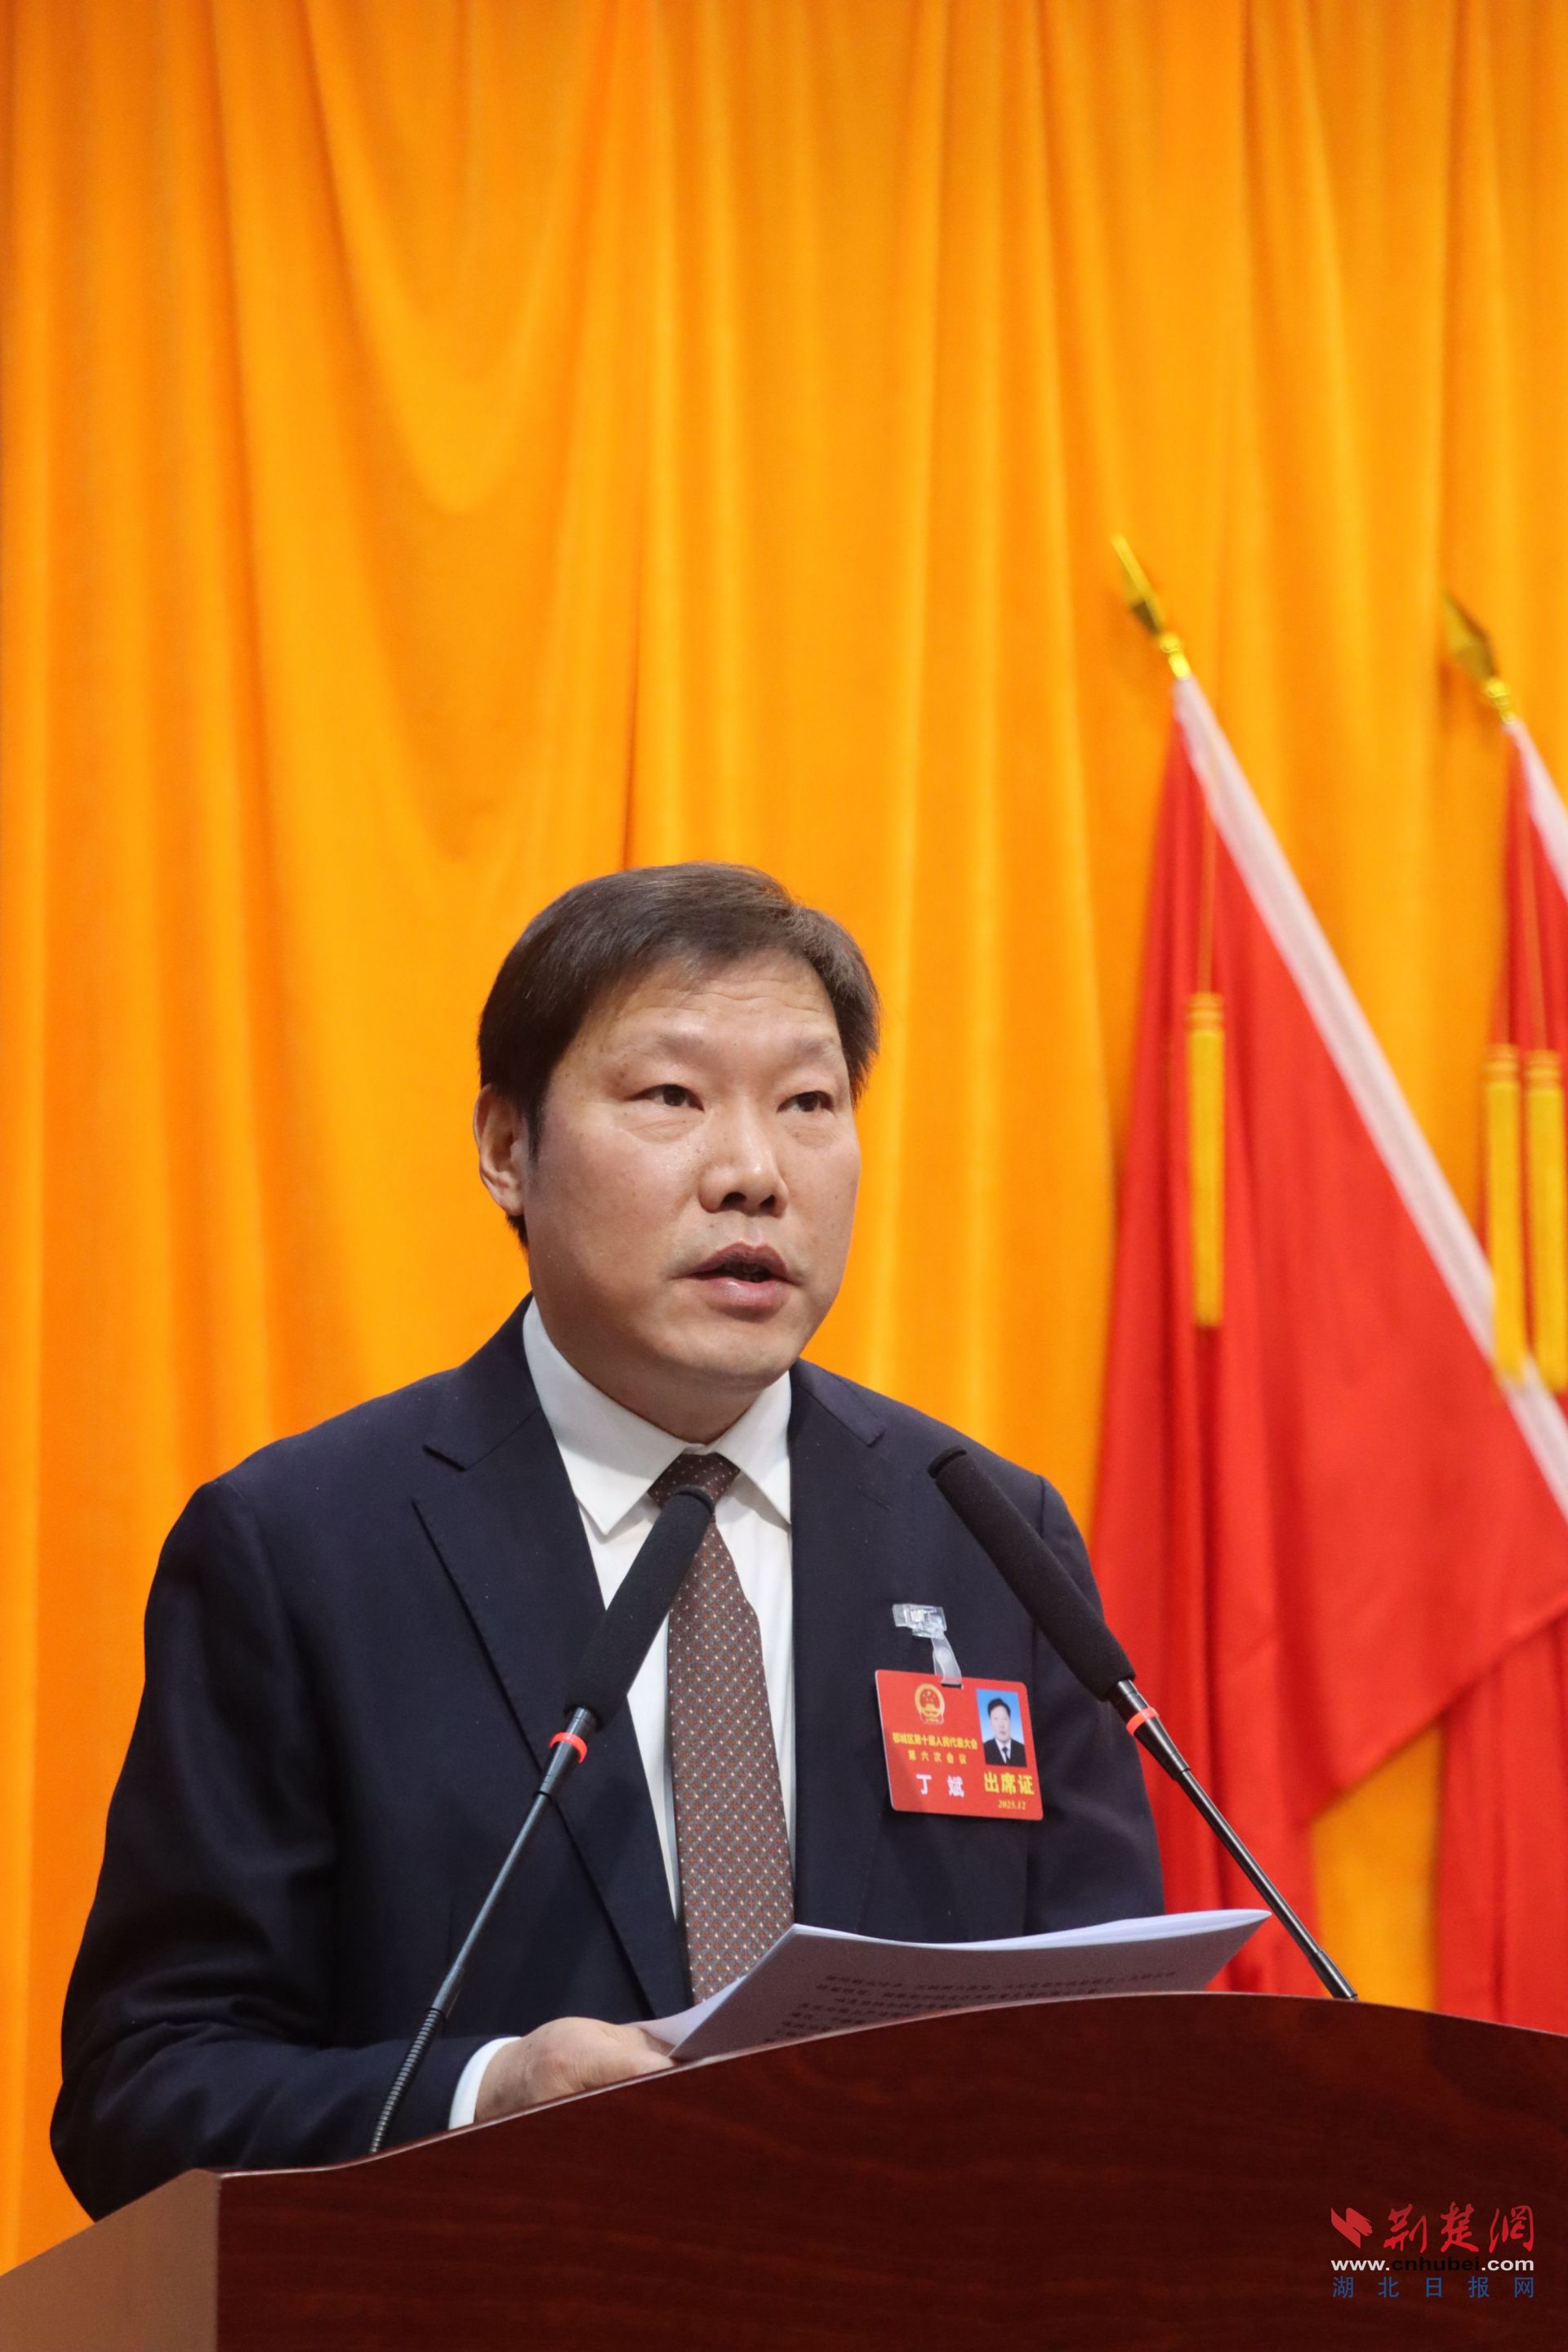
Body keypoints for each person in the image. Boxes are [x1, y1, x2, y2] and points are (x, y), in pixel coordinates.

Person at [53, 863, 1160, 2219]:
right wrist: (485, 2095)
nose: (754, 1174)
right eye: (672, 1097)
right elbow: (143, 2094)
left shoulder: (985, 1532)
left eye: (809, 1104)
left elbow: (1122, 2033)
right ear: (507, 1147)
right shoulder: (301, 1551)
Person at [982, 1697, 1028, 1771]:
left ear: (1010, 1720)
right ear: (990, 1722)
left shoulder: (1023, 1750)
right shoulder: (983, 1750)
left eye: (1004, 1719)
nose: (1001, 1725)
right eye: (996, 1719)